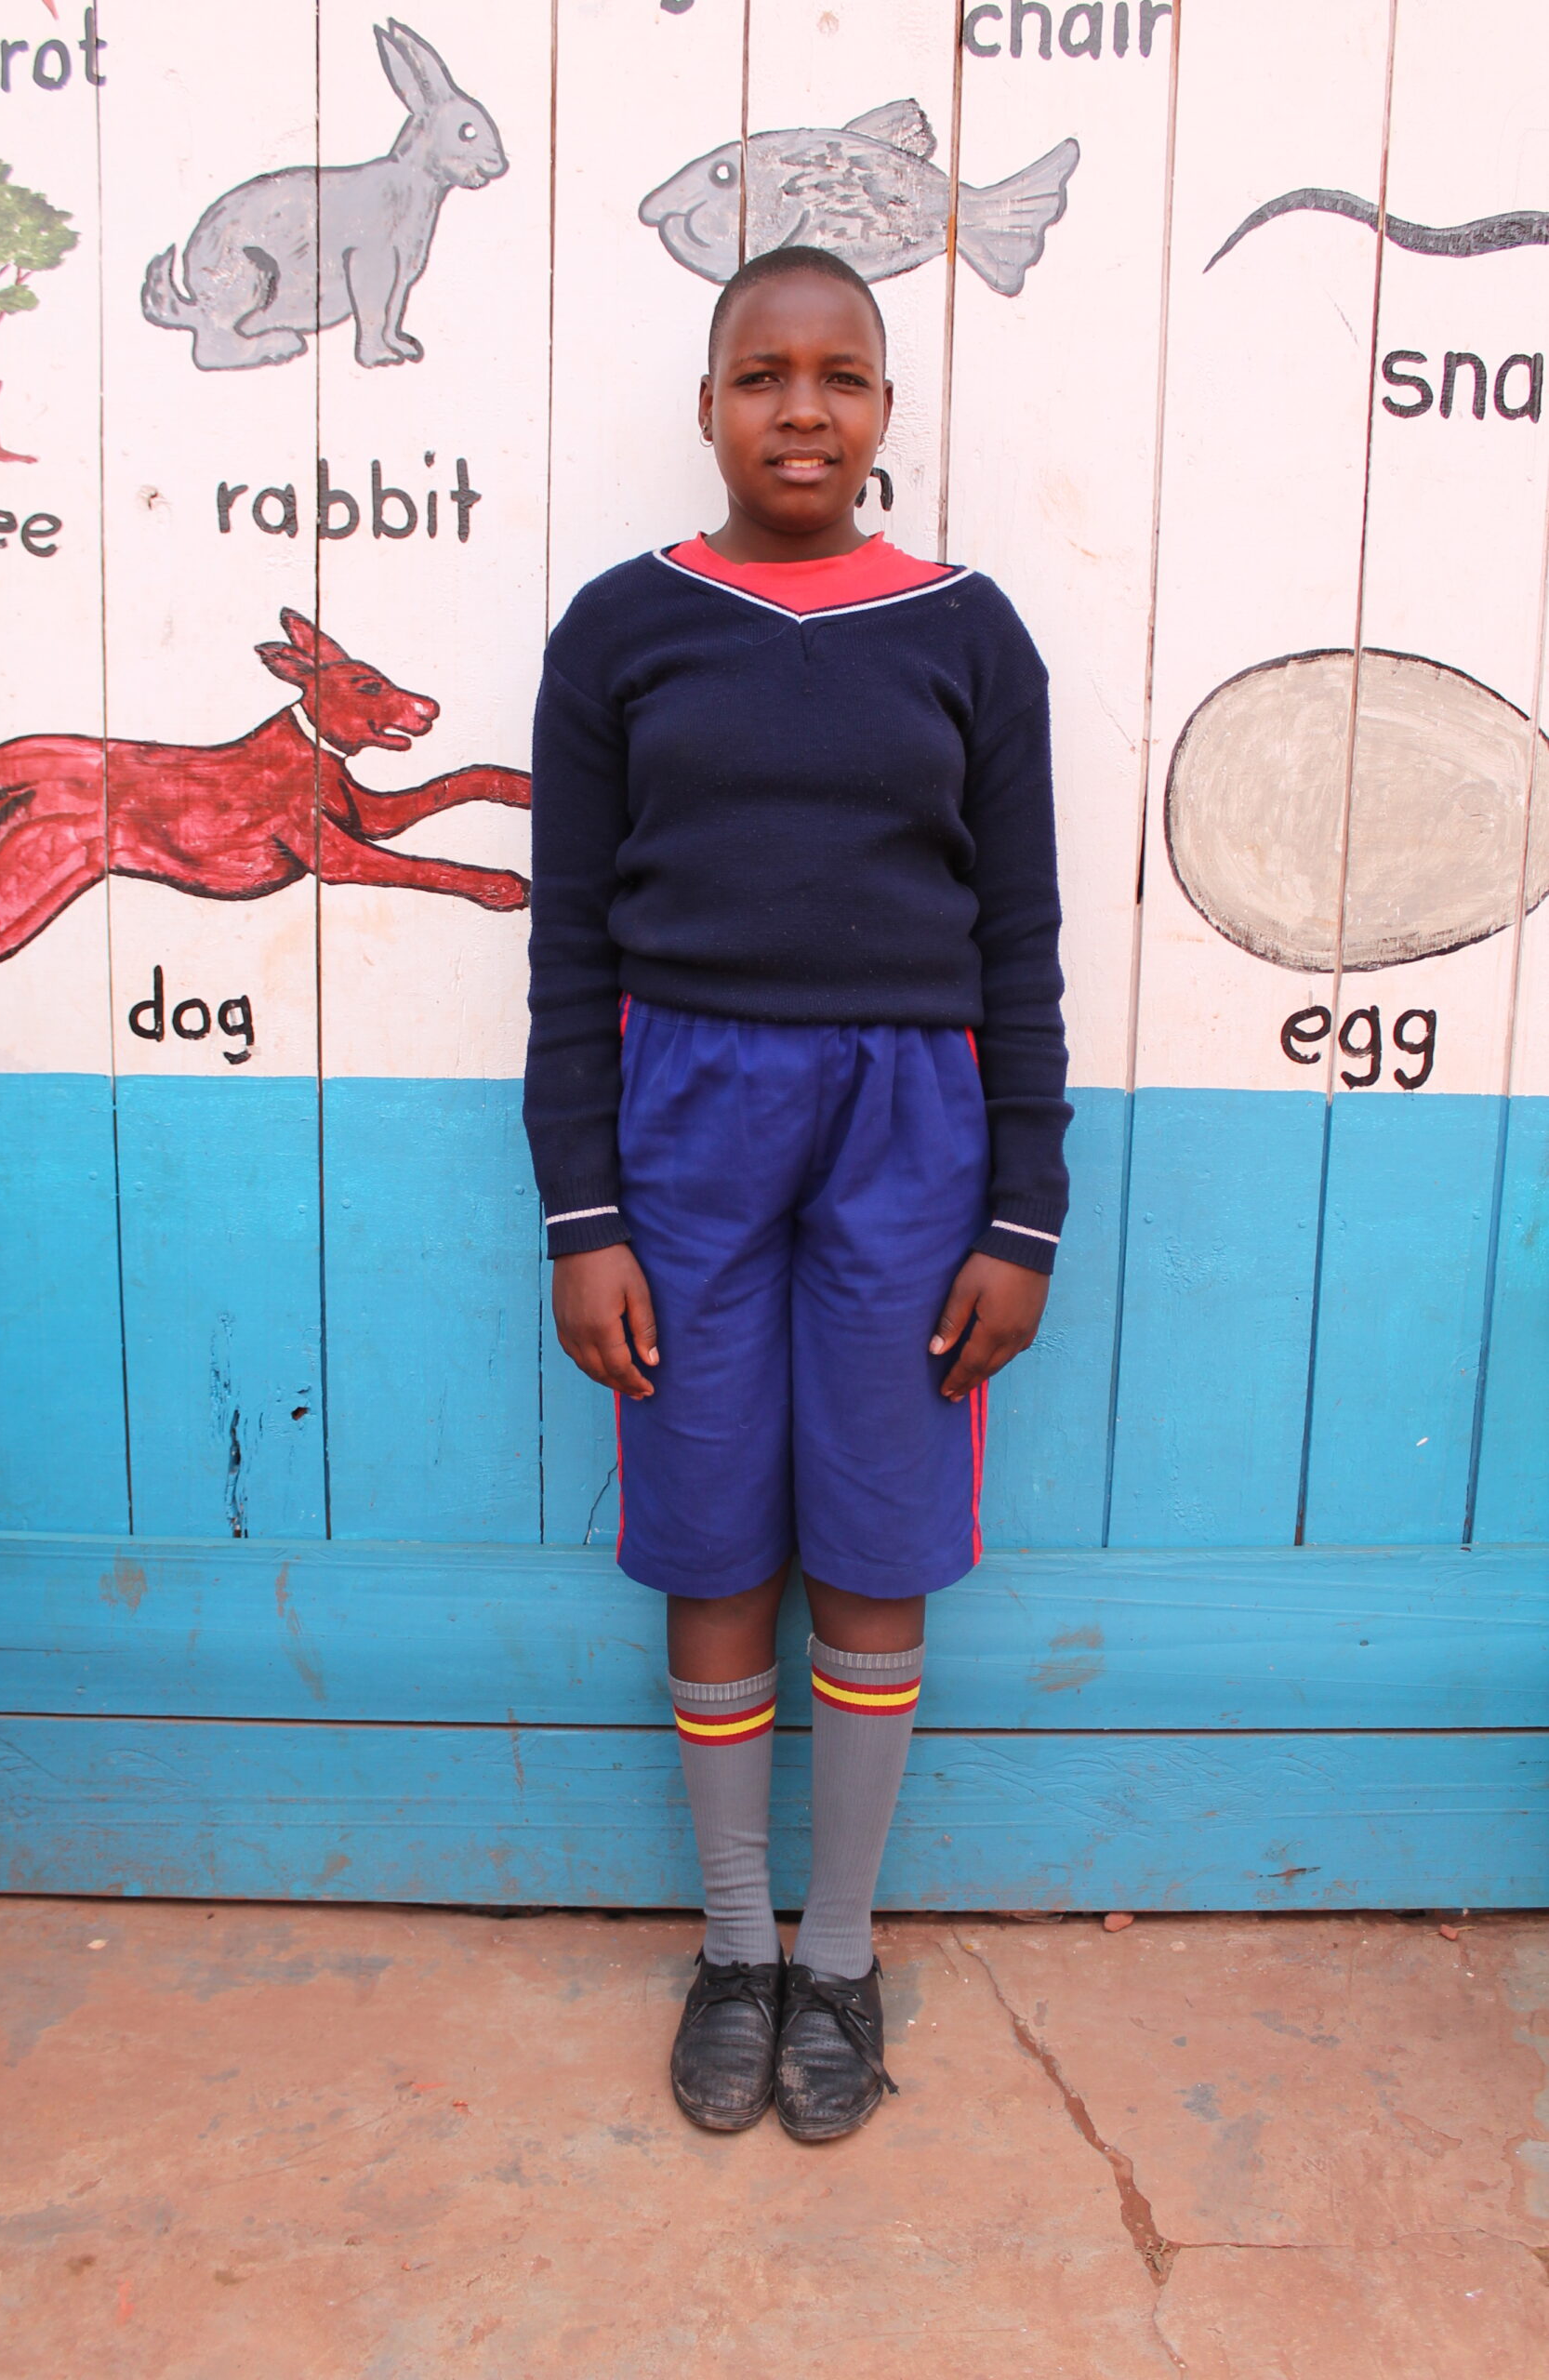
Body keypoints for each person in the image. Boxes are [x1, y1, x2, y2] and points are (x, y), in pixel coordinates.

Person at [523, 246, 1070, 2142]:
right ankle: (736, 1945)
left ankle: (839, 1950)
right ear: (707, 406)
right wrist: (582, 1215)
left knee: (873, 1527)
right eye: (762, 374)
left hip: (911, 1123)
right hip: (683, 1115)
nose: (802, 409)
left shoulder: (969, 637)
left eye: (841, 375)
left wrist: (1021, 1212)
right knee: (708, 1533)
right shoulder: (622, 631)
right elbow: (568, 947)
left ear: (885, 409)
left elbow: (1020, 941)